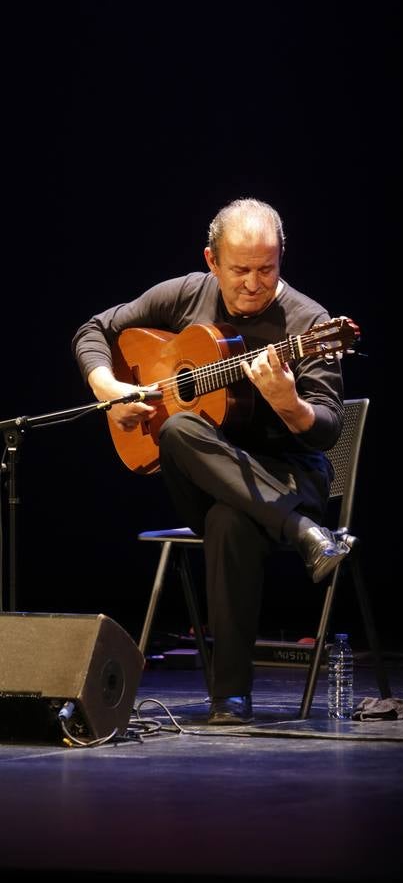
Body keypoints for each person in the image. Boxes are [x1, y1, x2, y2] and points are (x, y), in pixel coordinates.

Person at [72, 197, 352, 725]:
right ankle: (303, 533)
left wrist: (290, 404)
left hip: (289, 477)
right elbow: (94, 330)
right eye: (240, 270)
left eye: (266, 269)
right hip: (206, 474)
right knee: (178, 426)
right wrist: (108, 388)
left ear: (281, 260)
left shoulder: (310, 323)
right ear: (211, 261)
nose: (253, 283)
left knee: (230, 518)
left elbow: (330, 428)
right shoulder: (184, 296)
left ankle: (230, 698)